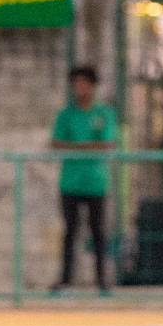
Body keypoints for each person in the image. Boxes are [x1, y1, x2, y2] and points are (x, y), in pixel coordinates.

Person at [50, 64, 117, 294]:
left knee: (99, 232)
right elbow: (56, 144)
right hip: (70, 182)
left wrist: (76, 147)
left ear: (93, 86)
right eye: (76, 84)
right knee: (70, 232)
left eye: (84, 84)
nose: (80, 89)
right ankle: (66, 280)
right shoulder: (66, 115)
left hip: (96, 183)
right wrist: (88, 146)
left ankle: (102, 281)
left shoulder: (103, 114)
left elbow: (107, 144)